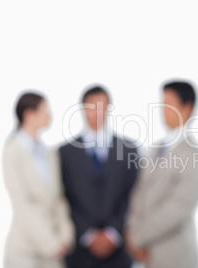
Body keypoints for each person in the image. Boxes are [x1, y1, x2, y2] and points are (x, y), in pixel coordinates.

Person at [125, 81, 198, 268]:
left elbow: (178, 207)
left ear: (187, 108)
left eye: (169, 104)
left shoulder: (193, 154)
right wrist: (132, 231)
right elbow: (139, 191)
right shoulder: (156, 148)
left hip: (174, 253)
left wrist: (138, 237)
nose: (163, 110)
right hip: (146, 253)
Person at [59, 85, 139, 268]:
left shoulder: (128, 149)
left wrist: (112, 233)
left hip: (119, 250)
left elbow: (134, 194)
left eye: (102, 106)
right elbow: (63, 197)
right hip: (79, 251)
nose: (97, 112)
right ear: (82, 109)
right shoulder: (64, 153)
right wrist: (87, 234)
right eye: (91, 106)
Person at [3, 92, 74, 268]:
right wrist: (50, 243)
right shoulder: (13, 151)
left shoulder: (48, 153)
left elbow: (58, 199)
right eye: (44, 110)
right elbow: (23, 204)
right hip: (26, 250)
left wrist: (66, 236)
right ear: (29, 114)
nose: (49, 115)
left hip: (54, 248)